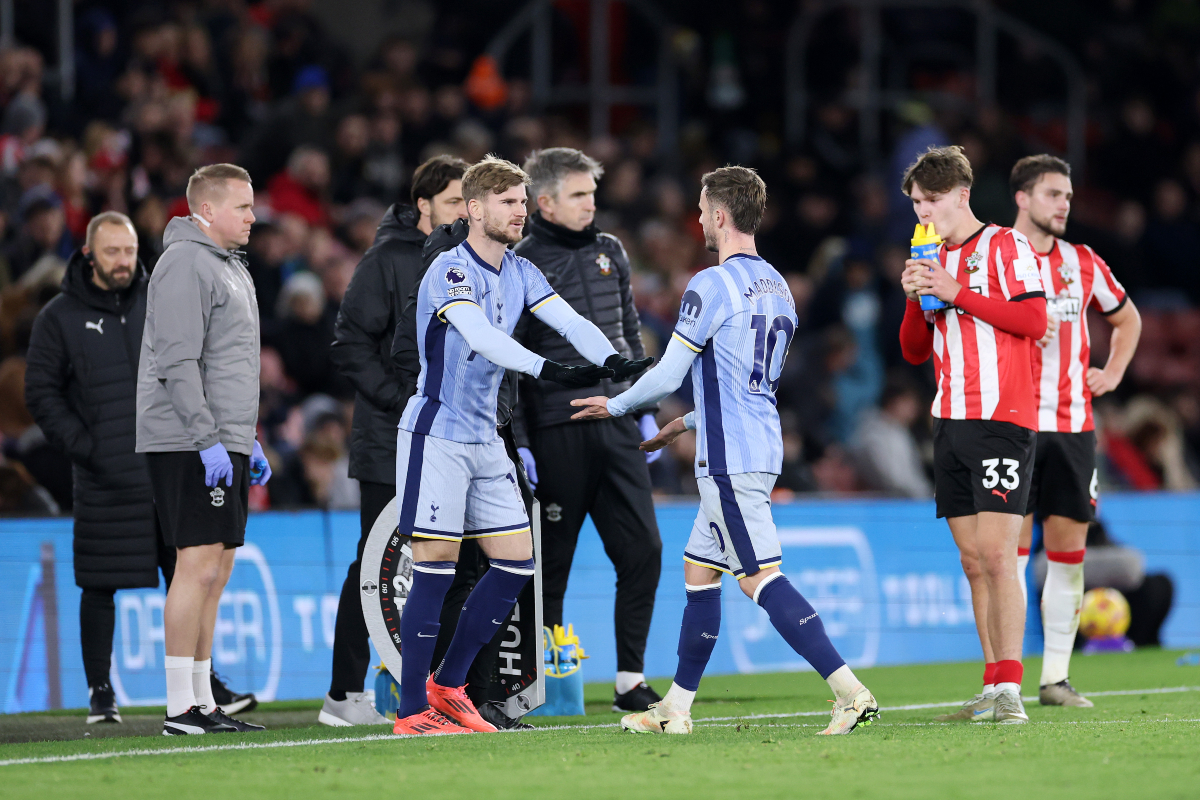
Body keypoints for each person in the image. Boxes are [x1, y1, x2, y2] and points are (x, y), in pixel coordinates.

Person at [571, 166, 879, 736]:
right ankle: (676, 709)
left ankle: (849, 691)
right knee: (700, 571)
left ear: (719, 214)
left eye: (700, 207)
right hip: (757, 440)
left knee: (758, 577)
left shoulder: (711, 285)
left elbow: (666, 373)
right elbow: (746, 383)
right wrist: (684, 424)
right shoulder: (779, 285)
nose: (695, 217)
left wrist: (613, 407)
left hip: (732, 458)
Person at [389, 155, 649, 736]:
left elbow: (570, 319)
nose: (519, 210)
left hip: (486, 437)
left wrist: (611, 361)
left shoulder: (520, 270)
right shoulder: (449, 271)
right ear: (476, 208)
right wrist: (548, 372)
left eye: (523, 201)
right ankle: (411, 712)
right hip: (437, 435)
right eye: (508, 201)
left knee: (515, 563)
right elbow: (480, 335)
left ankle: (449, 687)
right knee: (435, 566)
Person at [896, 146, 1047, 725]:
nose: (922, 215)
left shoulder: (1007, 246)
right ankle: (991, 684)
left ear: (962, 194)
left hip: (1003, 419)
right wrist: (916, 296)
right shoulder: (927, 254)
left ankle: (1011, 689)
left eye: (931, 202)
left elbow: (1034, 322)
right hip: (951, 420)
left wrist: (956, 291)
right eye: (914, 204)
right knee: (971, 559)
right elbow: (913, 350)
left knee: (996, 553)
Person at [511, 147, 661, 712]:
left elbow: (628, 331)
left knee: (644, 549)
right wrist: (522, 441)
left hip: (618, 420)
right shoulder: (520, 261)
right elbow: (514, 361)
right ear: (544, 201)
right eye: (578, 195)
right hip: (557, 426)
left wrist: (642, 402)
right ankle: (542, 683)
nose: (589, 204)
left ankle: (629, 681)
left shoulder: (611, 250)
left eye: (592, 193)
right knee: (552, 560)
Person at [321, 154, 468, 727]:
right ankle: (342, 693)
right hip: (391, 437)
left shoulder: (468, 260)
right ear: (423, 204)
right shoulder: (386, 260)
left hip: (452, 439)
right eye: (455, 200)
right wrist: (399, 398)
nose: (464, 210)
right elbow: (349, 342)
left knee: (447, 565)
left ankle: (441, 688)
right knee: (376, 567)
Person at [136, 164, 272, 735]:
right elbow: (177, 361)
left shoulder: (229, 266)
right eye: (242, 206)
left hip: (222, 435)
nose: (252, 216)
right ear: (207, 210)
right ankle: (178, 706)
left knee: (216, 569)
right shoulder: (185, 263)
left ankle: (202, 699)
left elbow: (226, 364)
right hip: (187, 437)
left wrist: (247, 437)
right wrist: (208, 438)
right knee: (194, 566)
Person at [1007, 155, 1141, 706]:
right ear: (1023, 198)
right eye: (1053, 194)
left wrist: (1110, 373)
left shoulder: (1082, 262)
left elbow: (1127, 318)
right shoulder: (996, 257)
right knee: (1007, 557)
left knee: (1068, 555)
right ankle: (1005, 680)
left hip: (1072, 427)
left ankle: (1054, 679)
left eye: (1067, 196)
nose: (1064, 204)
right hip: (1010, 426)